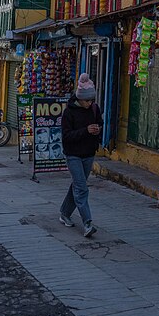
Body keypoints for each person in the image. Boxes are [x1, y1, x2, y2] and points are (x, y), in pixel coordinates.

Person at [59, 73, 102, 238]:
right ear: (80, 98)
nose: (89, 103)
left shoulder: (94, 109)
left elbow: (100, 123)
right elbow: (66, 136)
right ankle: (87, 223)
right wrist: (86, 131)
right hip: (73, 155)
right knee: (82, 188)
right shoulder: (69, 112)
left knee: (78, 185)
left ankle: (64, 212)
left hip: (88, 153)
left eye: (91, 100)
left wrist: (98, 129)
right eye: (87, 100)